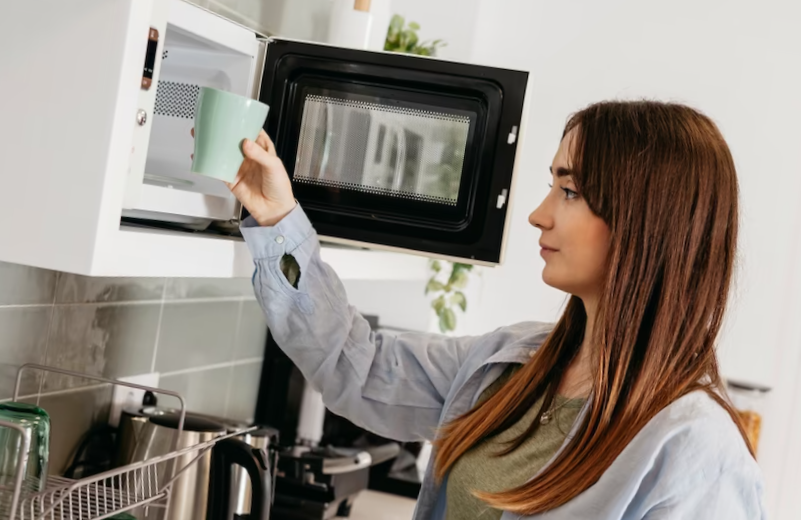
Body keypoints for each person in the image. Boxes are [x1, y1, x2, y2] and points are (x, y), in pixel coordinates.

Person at [226, 100, 766, 519]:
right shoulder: (510, 363)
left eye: (570, 190)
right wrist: (279, 221)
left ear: (647, 220)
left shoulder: (697, 448)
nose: (537, 214)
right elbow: (355, 365)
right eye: (550, 186)